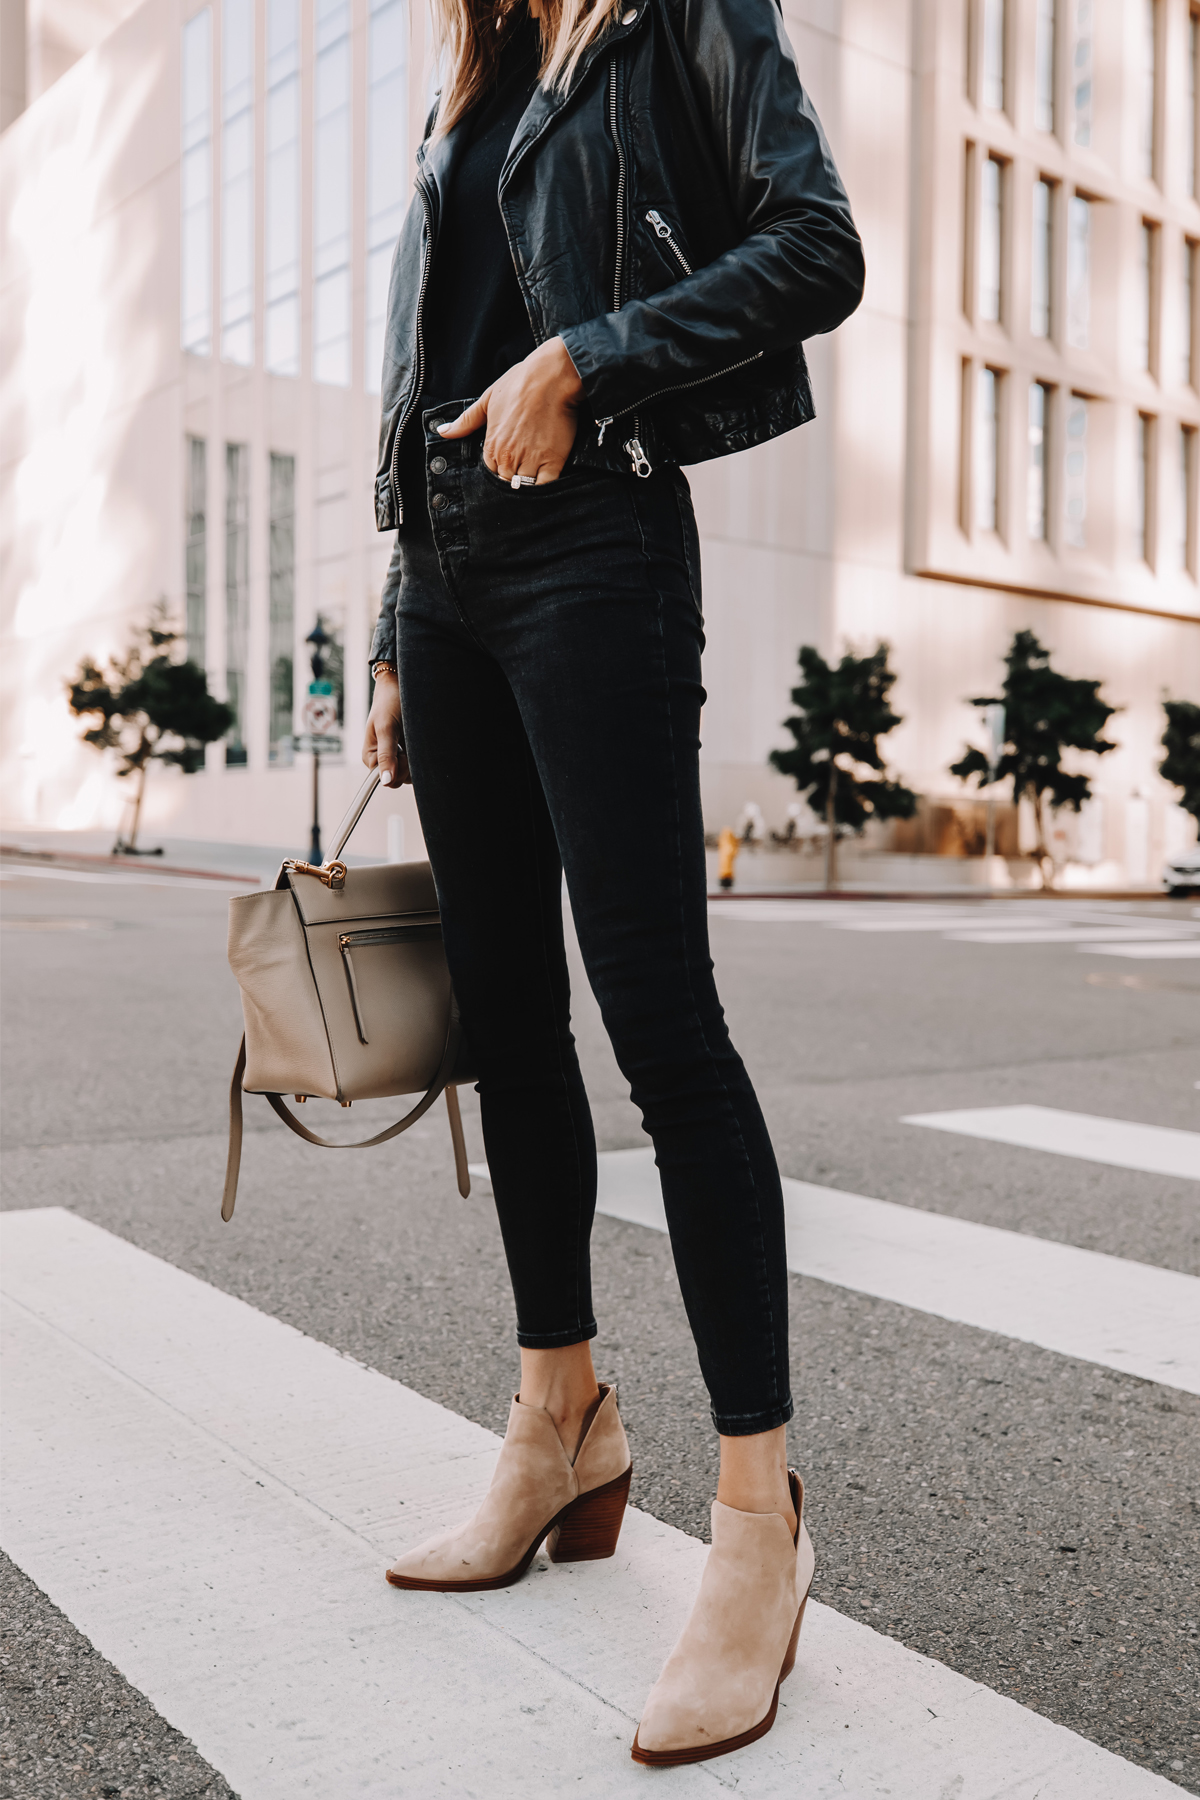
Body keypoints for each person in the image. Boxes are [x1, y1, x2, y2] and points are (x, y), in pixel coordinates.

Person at [362, 0, 863, 1765]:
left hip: (599, 542)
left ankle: (754, 1524)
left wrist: (595, 355)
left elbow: (818, 245)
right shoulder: (480, 68)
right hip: (452, 572)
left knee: (659, 1019)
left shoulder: (682, 19)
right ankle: (558, 1420)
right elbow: (427, 344)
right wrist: (393, 624)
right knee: (510, 1024)